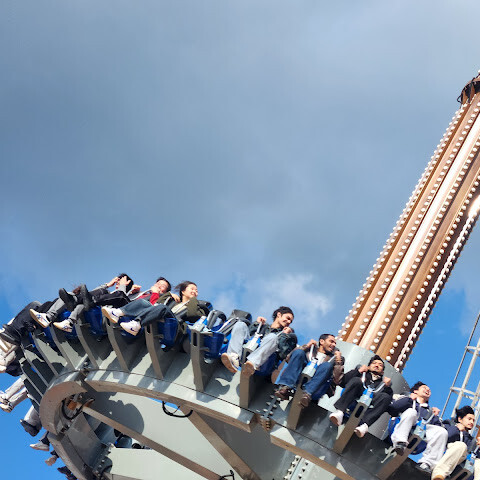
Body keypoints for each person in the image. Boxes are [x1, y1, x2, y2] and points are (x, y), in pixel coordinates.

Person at [29, 274, 136, 331]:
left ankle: (74, 302)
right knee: (73, 296)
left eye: (120, 281)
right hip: (91, 308)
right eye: (118, 281)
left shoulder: (124, 296)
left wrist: (124, 285)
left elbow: (121, 296)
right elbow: (89, 295)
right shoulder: (107, 292)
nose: (118, 282)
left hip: (108, 318)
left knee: (88, 298)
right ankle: (49, 318)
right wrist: (107, 285)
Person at [389, 382, 447, 473]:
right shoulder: (407, 399)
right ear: (415, 391)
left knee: (442, 432)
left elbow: (437, 432)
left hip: (418, 439)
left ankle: (427, 463)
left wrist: (435, 416)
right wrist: (409, 399)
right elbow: (393, 408)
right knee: (411, 412)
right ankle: (400, 442)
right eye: (424, 388)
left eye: (429, 390)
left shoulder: (429, 412)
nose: (427, 390)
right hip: (399, 429)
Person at [328, 355, 393, 438]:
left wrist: (387, 387)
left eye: (380, 365)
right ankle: (340, 411)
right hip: (353, 401)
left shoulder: (382, 384)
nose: (377, 365)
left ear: (382, 372)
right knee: (357, 381)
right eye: (374, 363)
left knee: (386, 397)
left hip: (367, 408)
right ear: (369, 366)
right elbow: (343, 382)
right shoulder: (362, 374)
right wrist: (358, 371)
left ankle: (365, 425)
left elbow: (387, 401)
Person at [273, 333, 344, 406]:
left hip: (316, 389)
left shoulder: (334, 359)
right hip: (300, 380)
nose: (334, 345)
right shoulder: (309, 350)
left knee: (327, 365)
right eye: (331, 341)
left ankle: (307, 395)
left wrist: (338, 361)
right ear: (322, 341)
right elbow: (288, 359)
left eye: (335, 343)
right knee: (299, 352)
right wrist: (306, 346)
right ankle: (285, 387)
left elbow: (337, 380)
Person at [221, 306, 295, 375]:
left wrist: (285, 336)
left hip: (263, 364)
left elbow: (283, 354)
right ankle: (233, 358)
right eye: (288, 318)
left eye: (290, 321)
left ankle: (252, 364)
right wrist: (257, 324)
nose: (289, 322)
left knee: (272, 337)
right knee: (240, 325)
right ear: (279, 315)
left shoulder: (286, 335)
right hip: (246, 352)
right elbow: (246, 335)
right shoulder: (263, 326)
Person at [431, 405, 475, 480]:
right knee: (461, 445)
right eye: (469, 419)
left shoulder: (471, 440)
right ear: (460, 419)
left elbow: (470, 453)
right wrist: (456, 428)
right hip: (443, 455)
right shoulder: (449, 424)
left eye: (473, 420)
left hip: (459, 464)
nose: (471, 422)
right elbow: (446, 436)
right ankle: (438, 475)